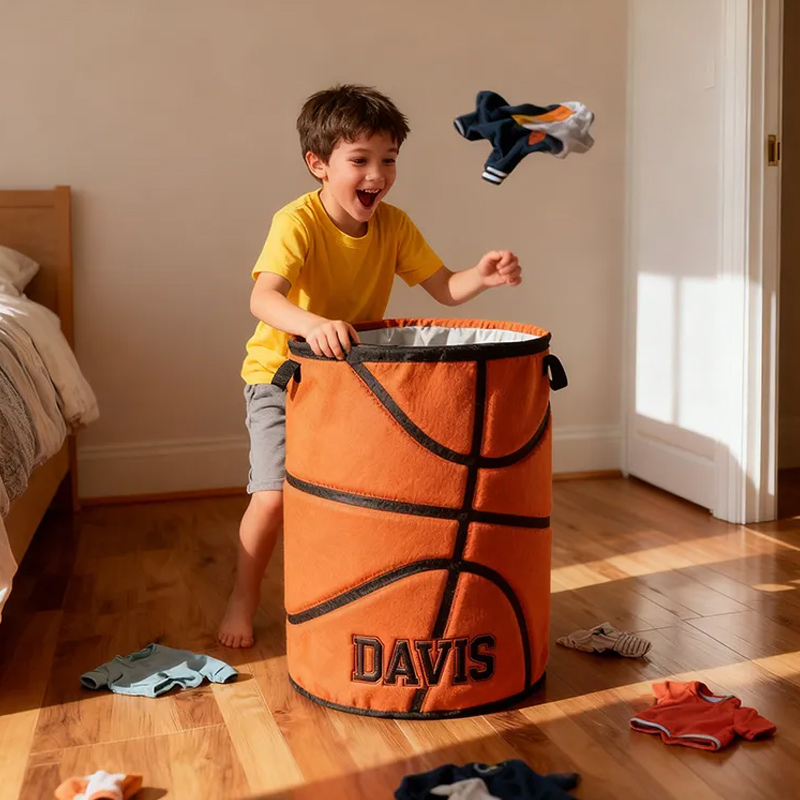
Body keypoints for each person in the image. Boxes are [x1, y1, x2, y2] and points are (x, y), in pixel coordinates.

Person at [218, 84, 522, 648]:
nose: (376, 175)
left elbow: (445, 290)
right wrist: (312, 325)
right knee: (275, 496)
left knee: (362, 492)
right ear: (319, 165)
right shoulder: (297, 222)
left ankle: (356, 591)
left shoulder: (395, 226)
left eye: (388, 160)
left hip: (353, 376)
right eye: (359, 160)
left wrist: (480, 275)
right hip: (282, 377)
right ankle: (243, 594)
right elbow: (264, 299)